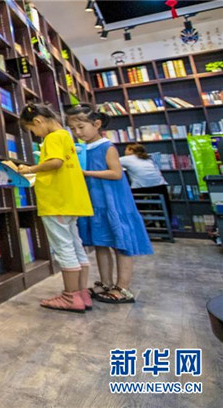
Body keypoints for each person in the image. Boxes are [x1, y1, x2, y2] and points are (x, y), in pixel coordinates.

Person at [66, 104, 154, 304]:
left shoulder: (107, 147)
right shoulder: (82, 149)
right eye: (73, 129)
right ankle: (105, 283)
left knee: (121, 244)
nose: (77, 132)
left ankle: (123, 287)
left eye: (81, 127)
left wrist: (86, 173)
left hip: (114, 202)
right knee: (101, 243)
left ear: (97, 124)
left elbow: (116, 173)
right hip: (95, 202)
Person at [16, 103, 94, 313]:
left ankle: (70, 296)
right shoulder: (66, 136)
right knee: (76, 246)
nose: (35, 134)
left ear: (38, 121)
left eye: (32, 130)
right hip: (71, 201)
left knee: (64, 248)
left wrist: (30, 169)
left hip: (56, 202)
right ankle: (81, 293)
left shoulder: (52, 138)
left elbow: (55, 162)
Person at [120, 143, 171, 220]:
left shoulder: (126, 159)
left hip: (141, 187)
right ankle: (167, 221)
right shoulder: (148, 158)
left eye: (126, 149)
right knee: (165, 206)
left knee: (134, 205)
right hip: (160, 185)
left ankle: (140, 221)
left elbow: (109, 163)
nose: (124, 151)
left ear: (131, 150)